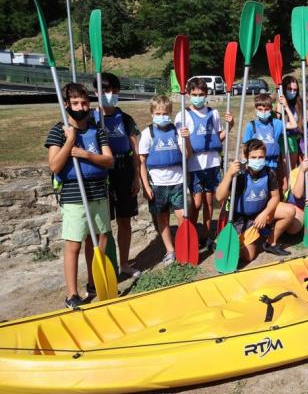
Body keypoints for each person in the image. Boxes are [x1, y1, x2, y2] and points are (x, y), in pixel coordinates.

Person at [45, 83, 114, 309]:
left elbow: (108, 160)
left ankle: (95, 282)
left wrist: (85, 154)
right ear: (67, 104)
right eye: (75, 103)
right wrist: (70, 140)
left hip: (98, 192)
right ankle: (72, 294)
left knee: (98, 240)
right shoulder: (58, 130)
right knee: (73, 244)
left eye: (84, 103)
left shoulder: (98, 130)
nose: (80, 107)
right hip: (74, 195)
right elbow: (55, 165)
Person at [216, 139, 301, 261]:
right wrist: (229, 175)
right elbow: (219, 196)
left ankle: (270, 243)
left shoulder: (269, 172)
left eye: (261, 157)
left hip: (261, 213)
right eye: (254, 157)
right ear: (246, 157)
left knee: (289, 211)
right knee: (249, 256)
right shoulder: (239, 175)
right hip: (241, 219)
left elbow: (276, 197)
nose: (258, 160)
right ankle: (239, 239)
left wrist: (265, 213)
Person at [174, 78, 232, 250]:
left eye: (201, 94)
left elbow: (219, 136)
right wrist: (185, 140)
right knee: (196, 203)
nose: (198, 97)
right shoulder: (182, 115)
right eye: (194, 95)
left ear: (206, 95)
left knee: (209, 202)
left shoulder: (213, 113)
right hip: (194, 165)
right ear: (189, 95)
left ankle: (206, 237)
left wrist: (231, 125)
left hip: (212, 163)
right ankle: (190, 235)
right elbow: (182, 146)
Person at [92, 72, 141, 277]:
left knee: (124, 221)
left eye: (113, 91)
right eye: (105, 91)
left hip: (124, 171)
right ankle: (104, 269)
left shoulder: (126, 119)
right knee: (102, 226)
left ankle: (124, 264)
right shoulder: (90, 118)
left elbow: (135, 150)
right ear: (96, 92)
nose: (109, 94)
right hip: (100, 173)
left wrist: (136, 176)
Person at [139, 95, 192, 267]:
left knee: (183, 217)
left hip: (177, 181)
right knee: (162, 219)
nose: (162, 116)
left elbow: (188, 155)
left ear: (170, 113)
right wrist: (146, 186)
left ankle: (185, 246)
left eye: (166, 113)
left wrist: (187, 139)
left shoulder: (178, 130)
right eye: (158, 113)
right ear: (152, 113)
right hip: (158, 184)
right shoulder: (148, 133)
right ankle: (170, 250)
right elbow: (141, 163)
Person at [243, 92, 296, 187]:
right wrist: (245, 164)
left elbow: (293, 125)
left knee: (272, 191)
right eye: (260, 109)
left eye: (266, 109)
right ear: (256, 109)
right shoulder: (251, 125)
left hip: (272, 166)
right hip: (256, 166)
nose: (263, 112)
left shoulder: (276, 123)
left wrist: (286, 107)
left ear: (271, 109)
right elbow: (245, 148)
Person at [277, 76, 302, 169]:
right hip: (281, 140)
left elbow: (298, 125)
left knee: (291, 172)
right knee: (283, 175)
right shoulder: (278, 103)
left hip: (293, 140)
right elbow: (277, 121)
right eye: (289, 89)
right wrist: (280, 106)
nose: (292, 92)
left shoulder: (298, 104)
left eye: (295, 90)